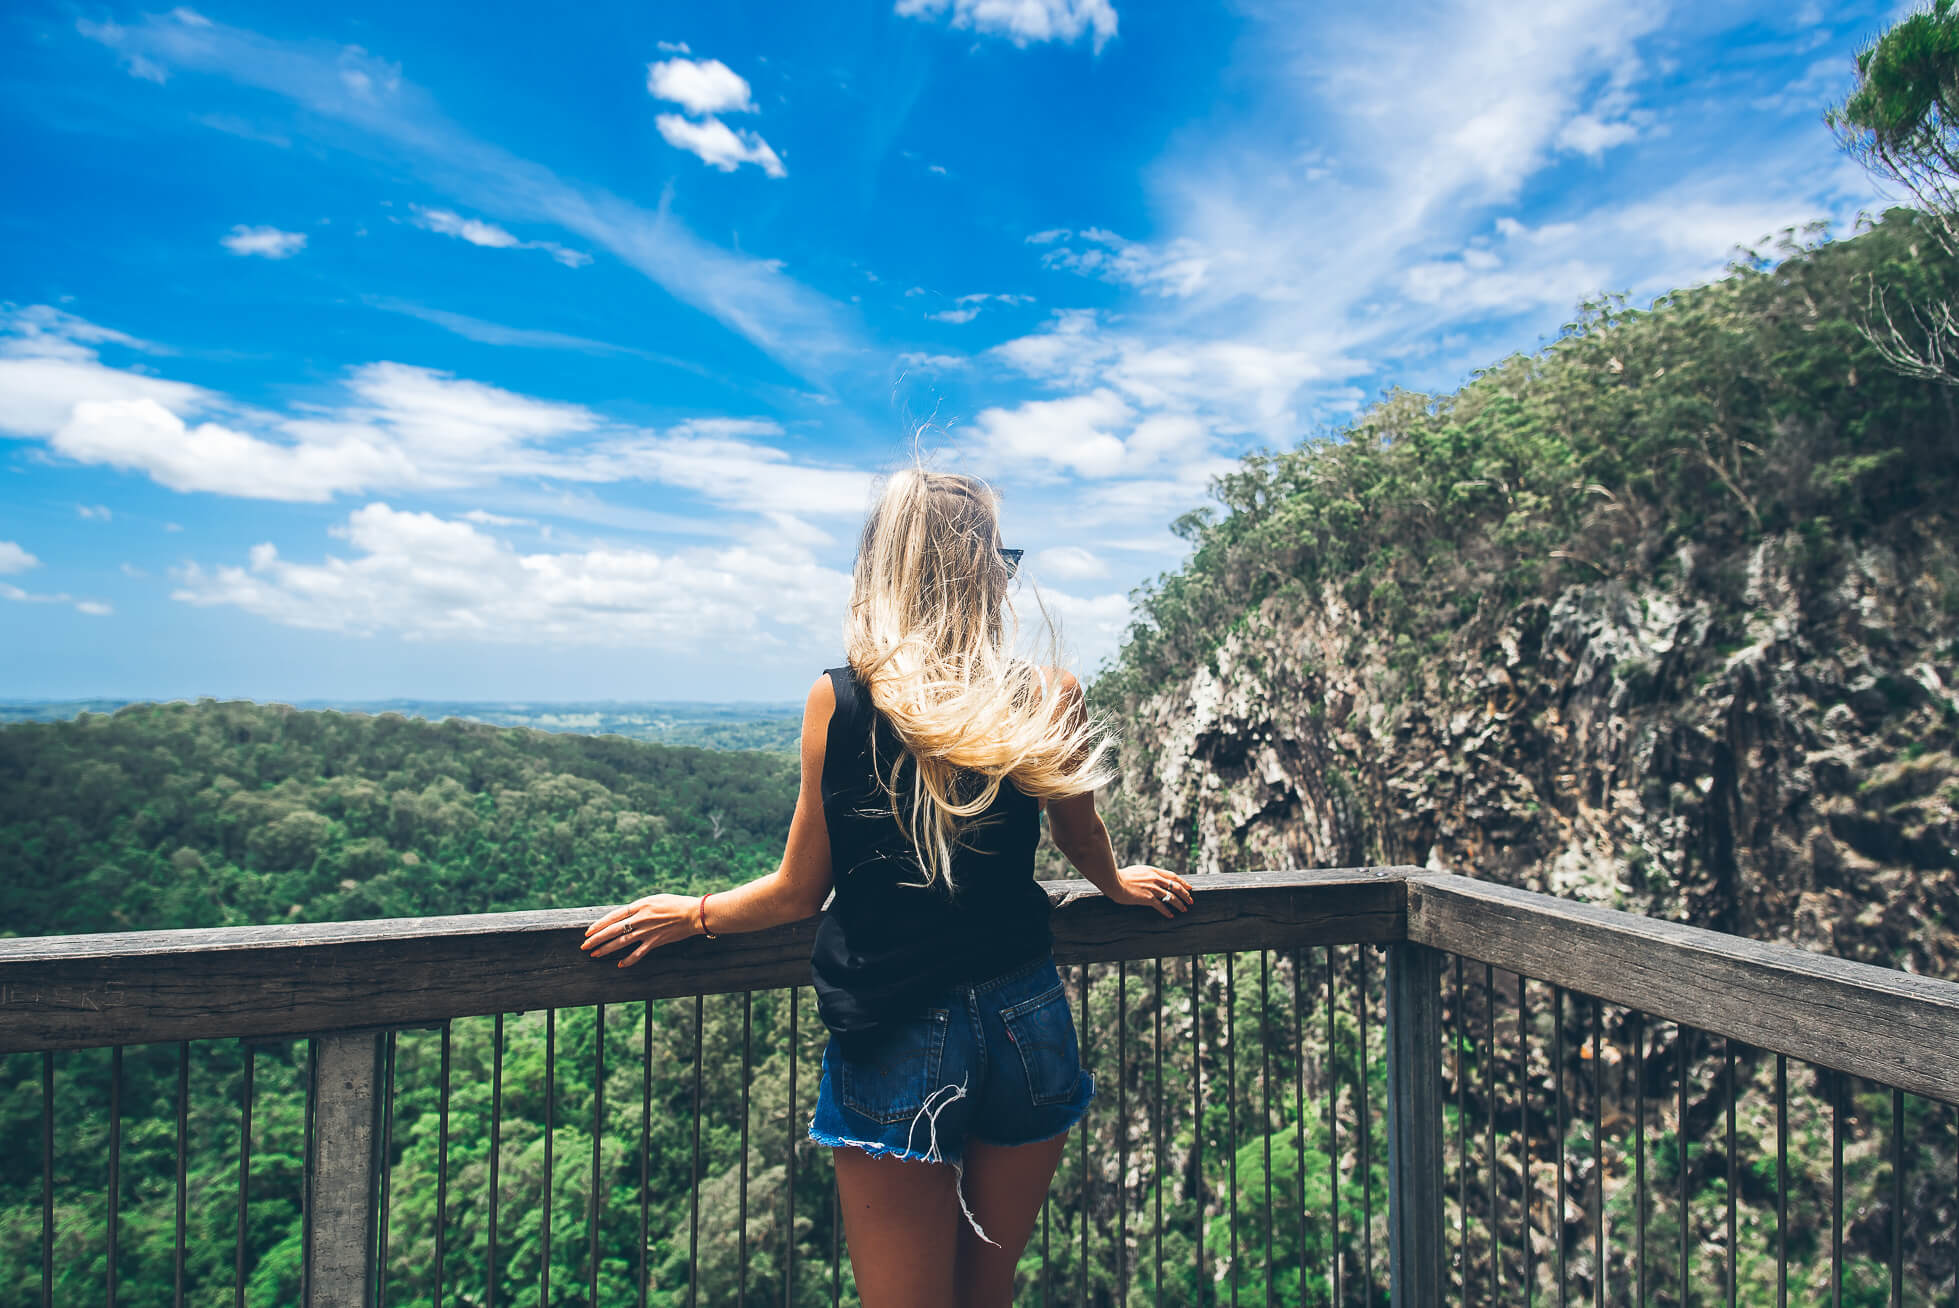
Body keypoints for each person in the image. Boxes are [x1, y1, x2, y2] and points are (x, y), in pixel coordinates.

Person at [579, 467, 1194, 1307]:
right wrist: (1115, 882)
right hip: (1027, 1016)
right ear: (982, 571)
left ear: (888, 569)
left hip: (899, 1026)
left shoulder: (842, 701)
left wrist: (693, 913)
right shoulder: (1047, 694)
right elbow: (1077, 832)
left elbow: (799, 893)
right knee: (987, 1291)